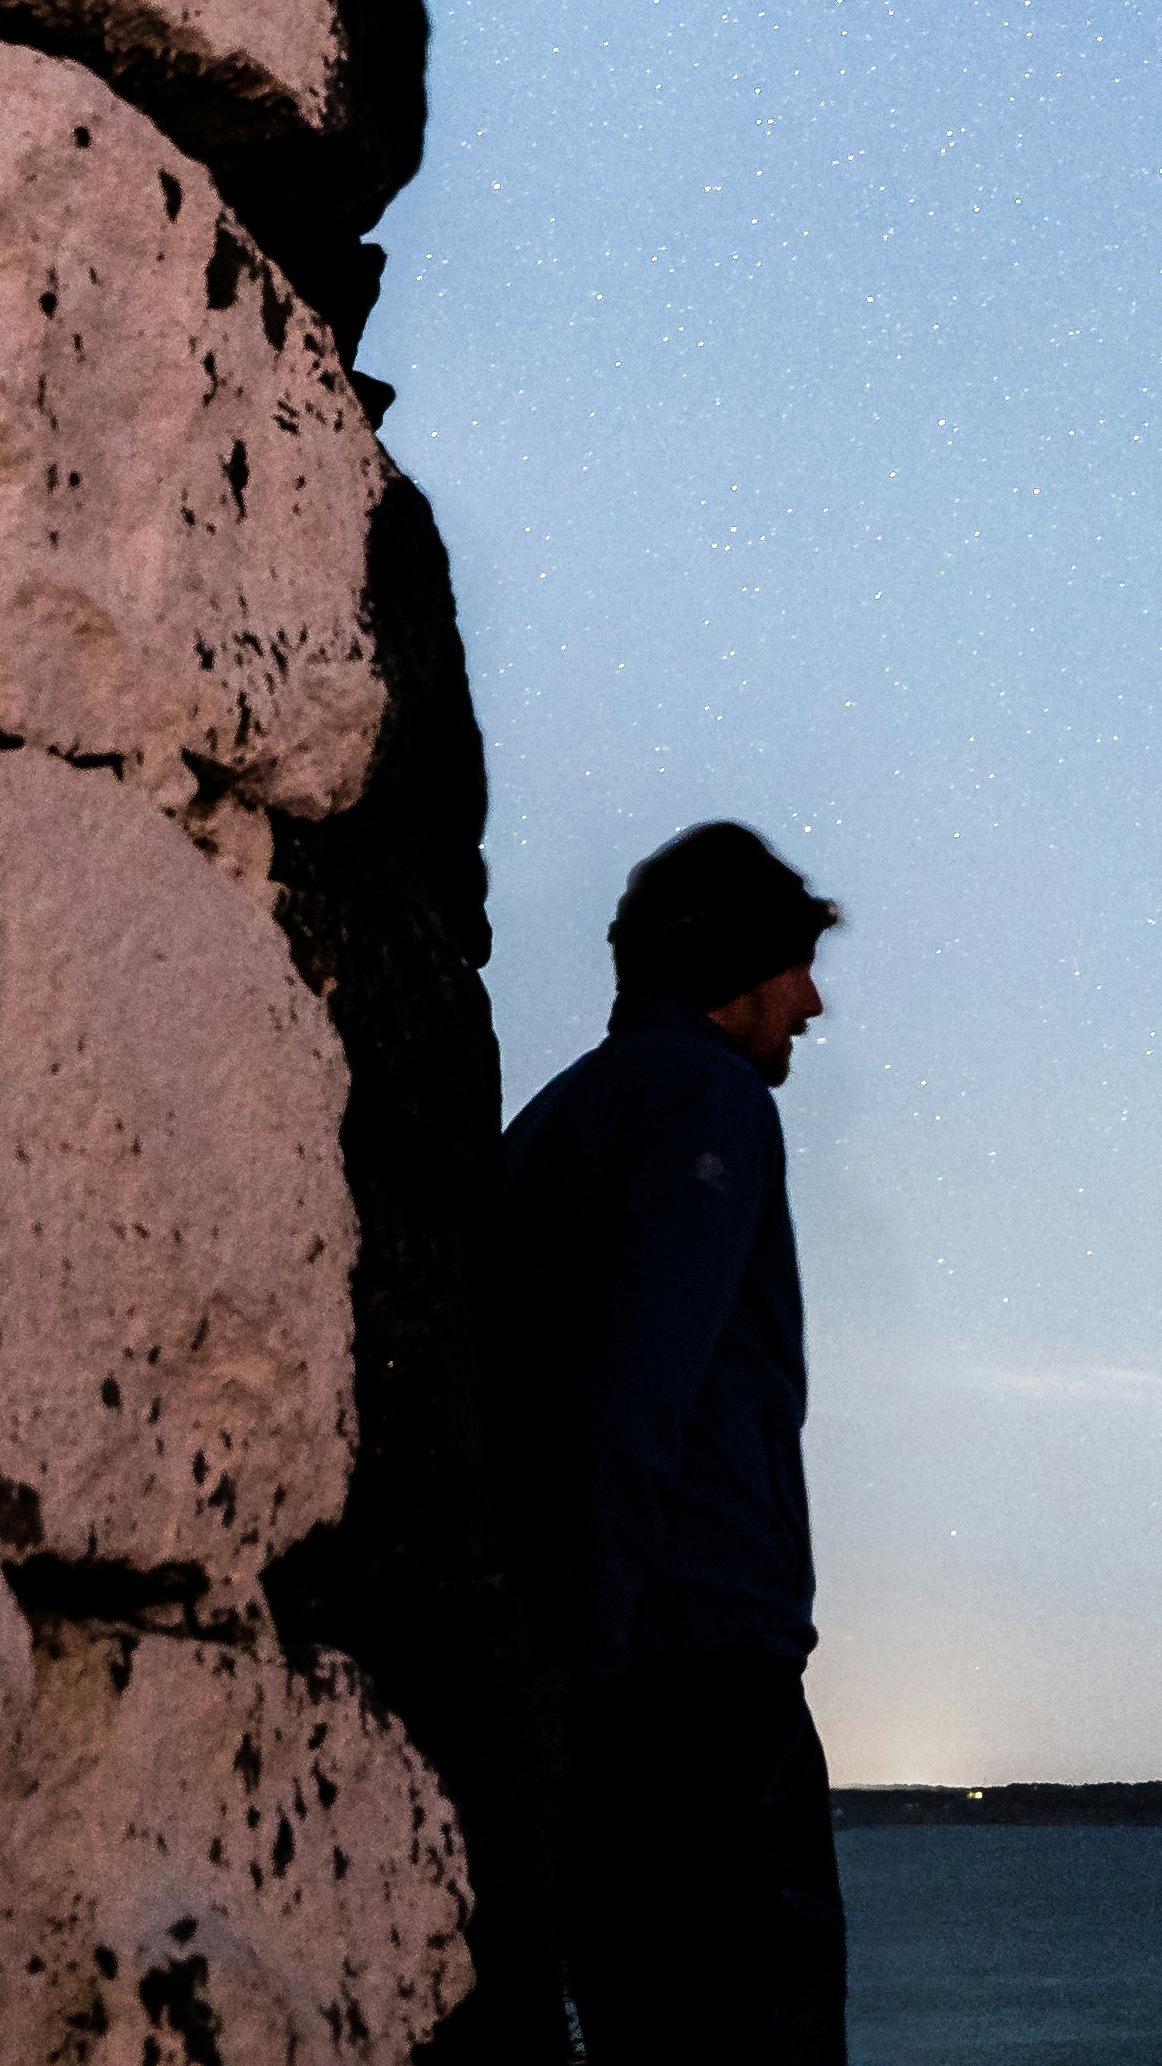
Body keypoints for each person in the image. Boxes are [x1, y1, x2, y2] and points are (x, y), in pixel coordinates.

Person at [488, 820, 848, 2063]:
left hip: (612, 1678)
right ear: (731, 964)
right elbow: (638, 1384)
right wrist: (600, 1661)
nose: (811, 1001)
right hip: (686, 1681)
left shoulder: (566, 1117)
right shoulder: (705, 1099)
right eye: (792, 965)